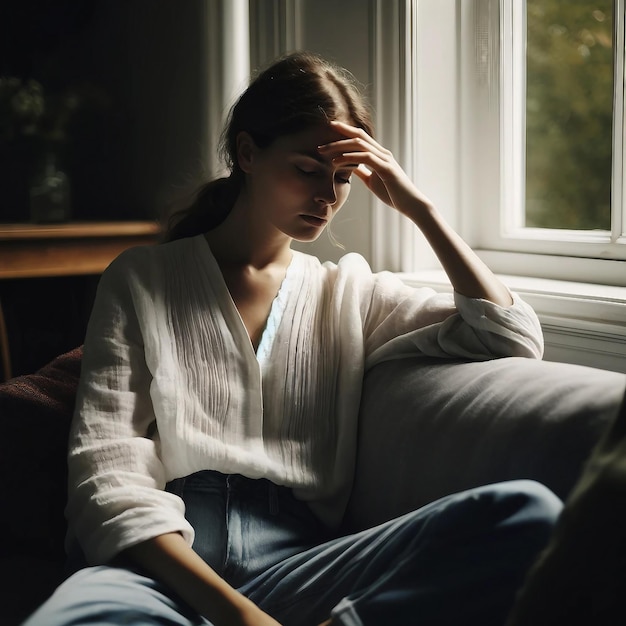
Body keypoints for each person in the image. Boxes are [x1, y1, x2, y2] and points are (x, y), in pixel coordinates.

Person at [24, 51, 562, 626]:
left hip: (298, 570)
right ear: (249, 153)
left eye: (343, 177)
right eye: (308, 169)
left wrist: (418, 207)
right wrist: (238, 616)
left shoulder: (352, 294)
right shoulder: (143, 278)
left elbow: (509, 335)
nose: (327, 196)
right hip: (160, 571)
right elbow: (105, 472)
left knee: (531, 515)